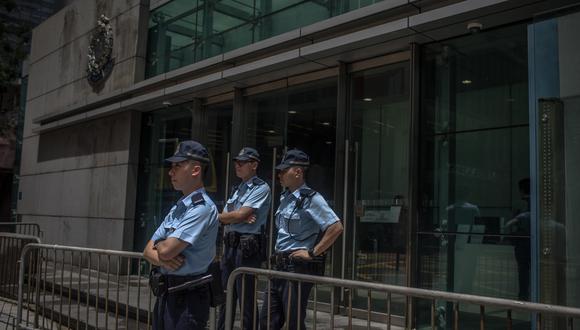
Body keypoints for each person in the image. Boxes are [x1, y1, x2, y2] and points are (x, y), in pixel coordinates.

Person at [260, 149, 343, 330]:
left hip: (295, 266)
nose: (279, 174)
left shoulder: (311, 198)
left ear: (298, 172)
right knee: (267, 321)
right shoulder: (285, 197)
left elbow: (336, 227)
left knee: (293, 322)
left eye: (284, 170)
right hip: (278, 266)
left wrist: (313, 252)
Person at [143, 140, 219, 330]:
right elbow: (146, 250)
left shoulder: (201, 208)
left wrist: (160, 246)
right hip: (167, 293)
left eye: (177, 165)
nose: (171, 172)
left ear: (195, 170)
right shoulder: (180, 207)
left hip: (188, 297)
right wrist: (162, 259)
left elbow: (166, 250)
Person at [217, 147, 271, 330]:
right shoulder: (237, 189)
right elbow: (225, 216)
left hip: (247, 247)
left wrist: (238, 215)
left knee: (246, 299)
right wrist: (237, 215)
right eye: (236, 162)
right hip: (231, 246)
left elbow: (238, 215)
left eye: (242, 163)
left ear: (254, 165)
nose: (237, 166)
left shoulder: (261, 187)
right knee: (226, 296)